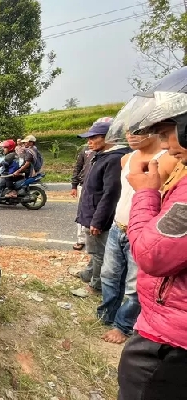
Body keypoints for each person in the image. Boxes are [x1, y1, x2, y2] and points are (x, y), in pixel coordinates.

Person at [113, 67, 187, 399]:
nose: (170, 145)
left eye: (171, 131)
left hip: (171, 341)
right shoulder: (129, 160)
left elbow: (154, 255)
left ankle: (117, 322)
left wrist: (146, 194)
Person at [97, 131, 175, 344]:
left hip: (143, 230)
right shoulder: (126, 159)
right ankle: (107, 315)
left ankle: (123, 326)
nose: (131, 135)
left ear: (157, 129)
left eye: (139, 131)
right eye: (129, 130)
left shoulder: (168, 160)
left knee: (135, 284)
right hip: (118, 227)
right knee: (109, 276)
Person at [74, 118, 131, 292]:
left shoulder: (113, 159)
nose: (89, 141)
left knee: (99, 253)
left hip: (98, 215)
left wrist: (97, 221)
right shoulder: (101, 156)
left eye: (94, 137)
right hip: (91, 211)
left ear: (109, 137)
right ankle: (89, 273)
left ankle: (96, 285)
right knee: (95, 250)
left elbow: (111, 193)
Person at [70, 144, 95, 251]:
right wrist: (74, 185)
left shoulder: (107, 151)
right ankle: (81, 240)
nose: (90, 141)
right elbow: (78, 167)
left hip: (100, 186)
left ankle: (96, 240)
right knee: (82, 212)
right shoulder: (85, 149)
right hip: (84, 185)